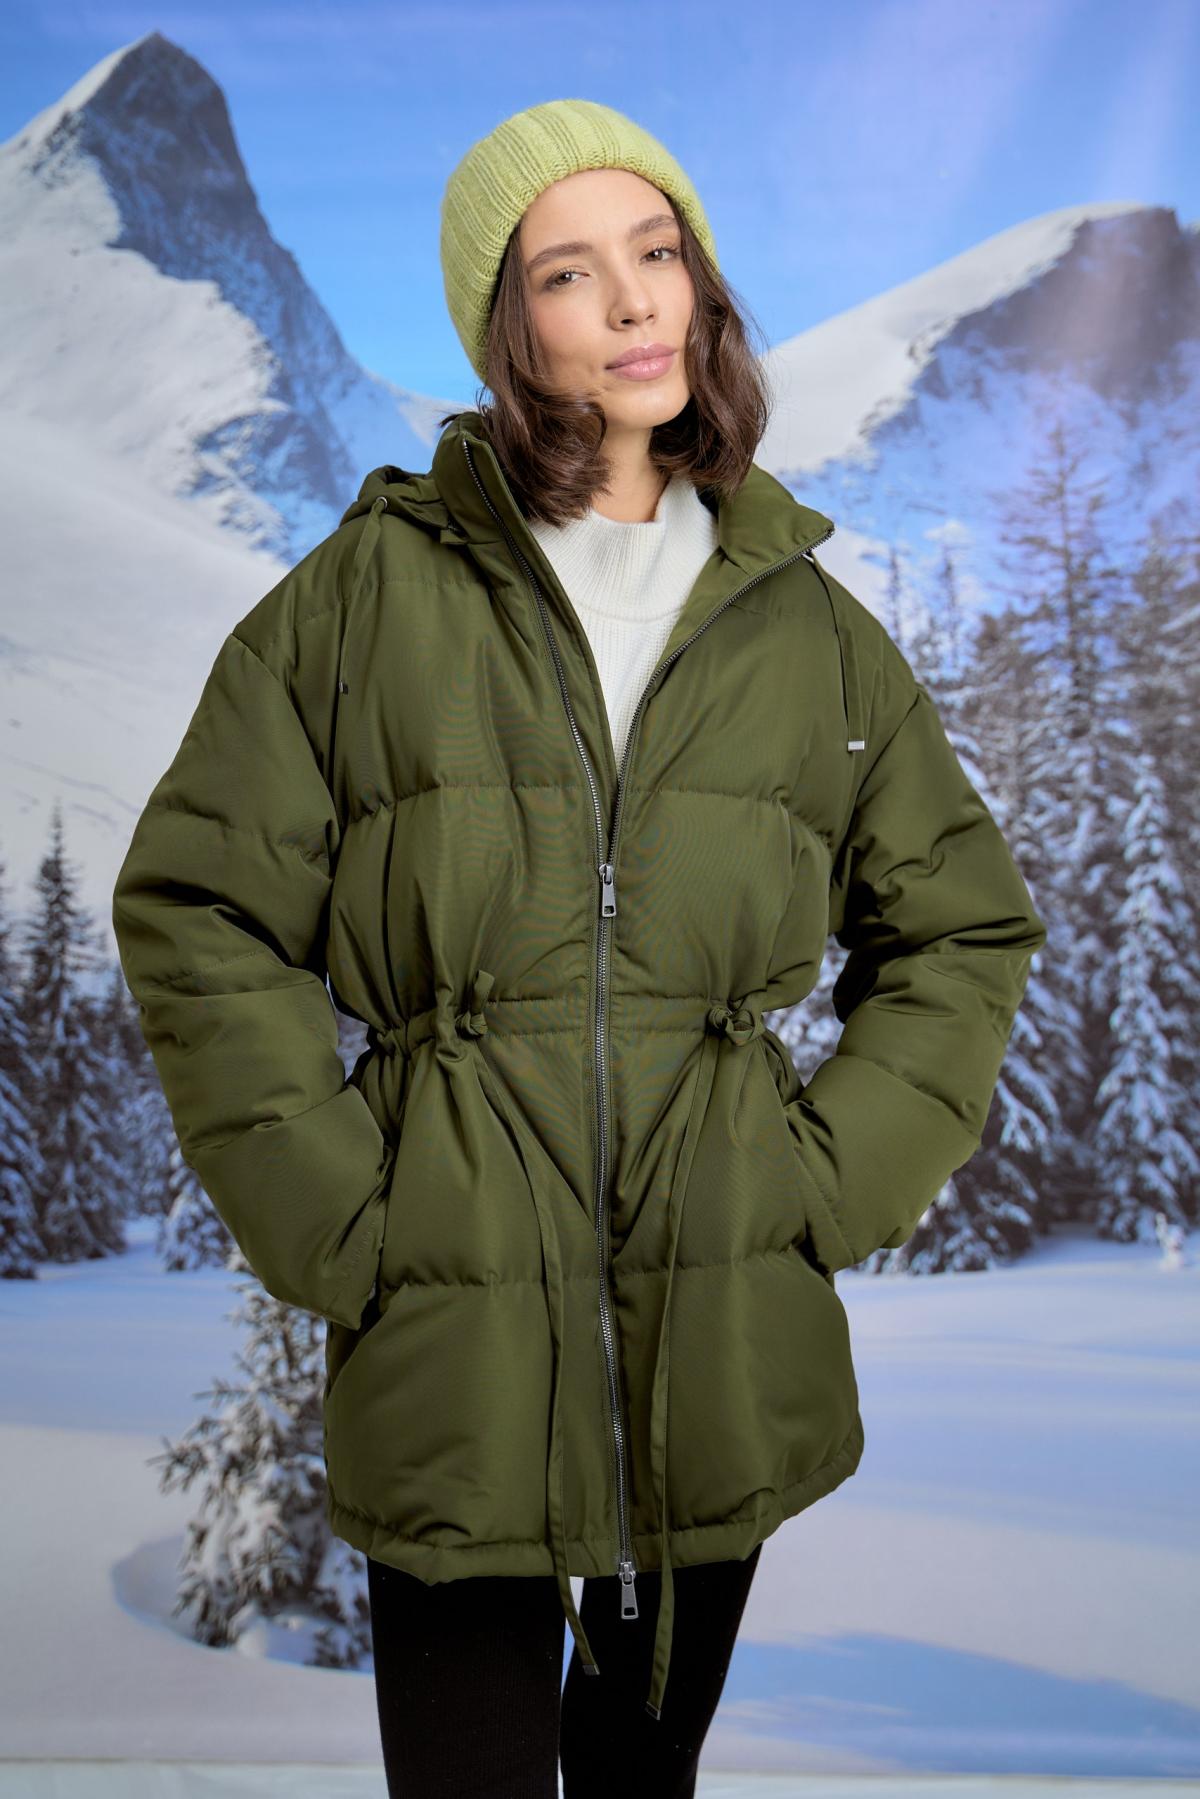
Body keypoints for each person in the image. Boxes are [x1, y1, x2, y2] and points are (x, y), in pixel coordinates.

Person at [112, 97, 1047, 1798]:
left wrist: (815, 1188)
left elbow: (962, 925)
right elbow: (200, 902)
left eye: (656, 251)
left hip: (719, 1343)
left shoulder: (810, 631)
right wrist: (347, 1216)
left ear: (700, 282)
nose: (631, 303)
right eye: (566, 271)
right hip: (452, 1339)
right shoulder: (366, 598)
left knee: (639, 1786)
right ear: (504, 323)